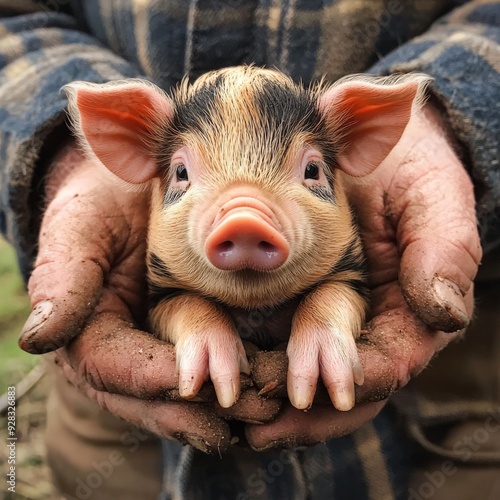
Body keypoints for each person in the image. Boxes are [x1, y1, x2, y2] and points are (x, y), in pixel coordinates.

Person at [0, 1, 498, 498]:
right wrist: (57, 152)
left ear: (365, 130)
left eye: (309, 172)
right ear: (126, 139)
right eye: (183, 174)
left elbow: (343, 282)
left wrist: (447, 116)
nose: (244, 215)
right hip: (126, 449)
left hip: (451, 418)